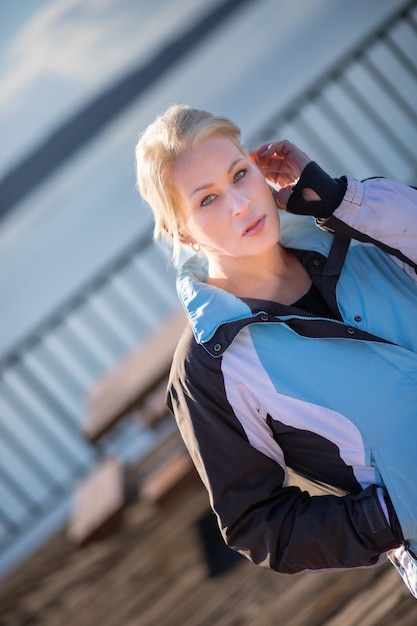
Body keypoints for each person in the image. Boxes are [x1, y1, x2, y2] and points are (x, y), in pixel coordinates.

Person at [135, 104, 417, 596]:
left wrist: (343, 201)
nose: (240, 204)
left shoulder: (357, 228)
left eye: (239, 174)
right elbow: (258, 523)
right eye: (207, 200)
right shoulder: (210, 368)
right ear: (181, 232)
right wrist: (392, 515)